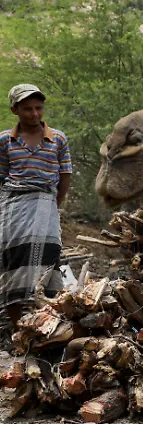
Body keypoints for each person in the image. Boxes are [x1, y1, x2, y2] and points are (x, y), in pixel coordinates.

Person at [0, 84, 72, 330]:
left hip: (45, 205)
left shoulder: (58, 138)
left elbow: (64, 175)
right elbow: (1, 177)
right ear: (15, 110)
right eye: (27, 109)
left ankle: (44, 325)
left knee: (48, 257)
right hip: (13, 207)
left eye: (38, 108)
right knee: (13, 262)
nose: (34, 114)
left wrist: (54, 205)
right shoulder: (4, 140)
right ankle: (19, 328)